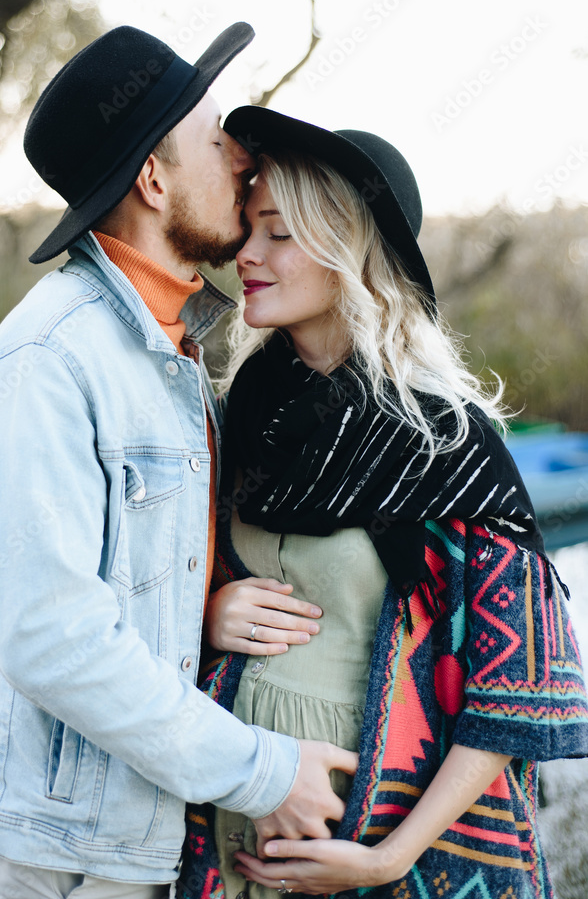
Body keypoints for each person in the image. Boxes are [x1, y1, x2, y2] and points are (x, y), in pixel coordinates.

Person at [0, 28, 356, 899]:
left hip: (127, 836)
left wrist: (201, 606)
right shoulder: (47, 365)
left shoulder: (170, 349)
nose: (243, 158)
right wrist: (266, 772)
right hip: (49, 862)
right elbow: (53, 637)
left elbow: (112, 573)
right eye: (216, 139)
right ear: (154, 178)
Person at [178, 106, 588, 899]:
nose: (245, 255)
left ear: (348, 255)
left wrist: (387, 857)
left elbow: (517, 690)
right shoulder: (246, 411)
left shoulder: (444, 438)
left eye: (278, 233)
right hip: (235, 830)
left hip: (384, 854)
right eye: (247, 227)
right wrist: (211, 606)